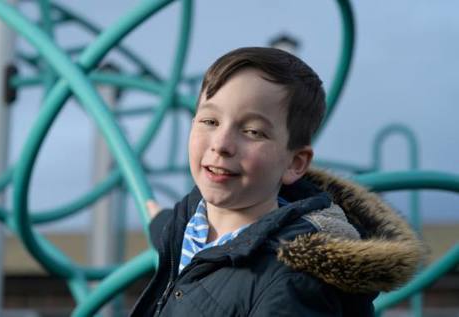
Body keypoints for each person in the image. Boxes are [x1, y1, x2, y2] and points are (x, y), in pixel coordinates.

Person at [130, 47, 423, 316]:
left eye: (253, 131)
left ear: (294, 164)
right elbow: (177, 236)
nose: (221, 144)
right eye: (210, 121)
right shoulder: (192, 215)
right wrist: (160, 221)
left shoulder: (292, 284)